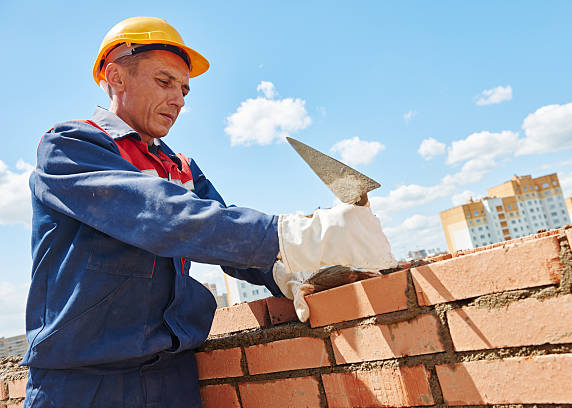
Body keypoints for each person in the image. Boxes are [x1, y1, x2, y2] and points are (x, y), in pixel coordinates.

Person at [22, 17, 396, 407]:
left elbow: (220, 230)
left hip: (172, 375)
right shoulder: (71, 147)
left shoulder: (181, 166)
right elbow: (161, 216)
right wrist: (297, 235)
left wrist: (290, 274)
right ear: (116, 77)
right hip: (80, 383)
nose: (179, 99)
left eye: (184, 89)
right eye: (164, 82)